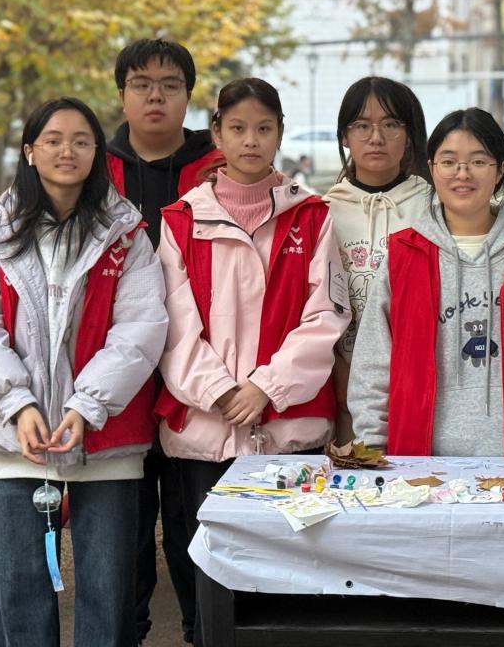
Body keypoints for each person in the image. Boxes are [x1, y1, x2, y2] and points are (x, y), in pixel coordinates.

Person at [0, 97, 168, 647]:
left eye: (82, 141)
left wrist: (86, 406)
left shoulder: (126, 234)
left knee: (108, 594)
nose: (68, 151)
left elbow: (140, 329)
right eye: (53, 140)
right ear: (30, 151)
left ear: (98, 153)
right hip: (19, 436)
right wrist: (17, 404)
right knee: (19, 592)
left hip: (105, 435)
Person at [156, 78, 350, 645]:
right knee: (206, 579)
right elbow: (171, 324)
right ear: (216, 133)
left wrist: (267, 387)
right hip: (203, 433)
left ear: (280, 134)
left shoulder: (312, 216)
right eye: (237, 128)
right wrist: (219, 391)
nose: (251, 140)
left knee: (286, 582)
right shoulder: (179, 221)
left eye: (264, 128)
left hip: (287, 431)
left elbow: (326, 315)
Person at [348, 107, 504, 457]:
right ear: (432, 168)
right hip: (415, 463)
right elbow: (373, 363)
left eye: (478, 161)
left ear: (500, 169)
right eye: (449, 161)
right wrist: (373, 445)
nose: (462, 174)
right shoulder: (403, 255)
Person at [109, 38, 220, 645]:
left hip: (200, 377)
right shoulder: (95, 171)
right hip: (117, 377)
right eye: (142, 84)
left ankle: (204, 631)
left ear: (188, 95)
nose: (156, 96)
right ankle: (124, 631)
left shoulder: (222, 166)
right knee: (122, 525)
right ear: (121, 94)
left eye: (170, 85)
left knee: (194, 519)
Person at [322, 77, 432, 443]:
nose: (376, 137)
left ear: (410, 134)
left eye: (391, 124)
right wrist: (338, 370)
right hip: (344, 385)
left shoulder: (434, 207)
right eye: (362, 125)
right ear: (344, 135)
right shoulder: (323, 212)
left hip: (422, 381)